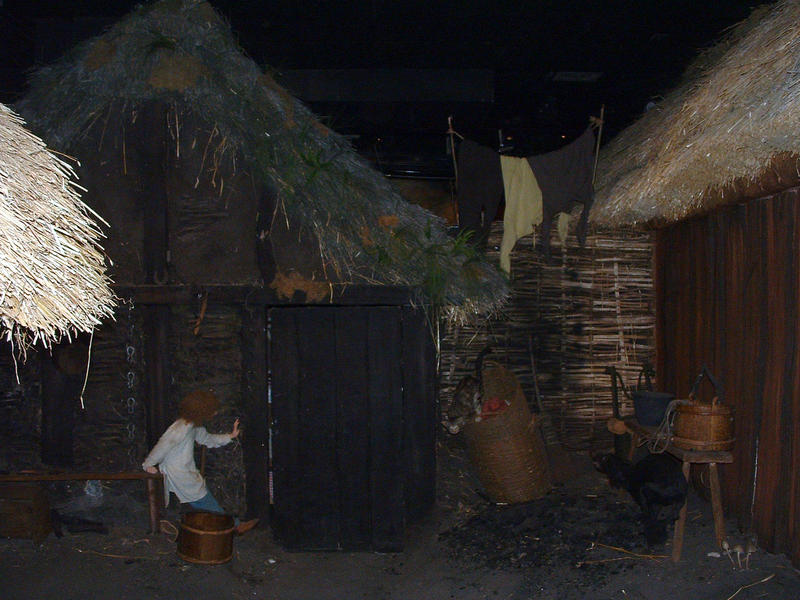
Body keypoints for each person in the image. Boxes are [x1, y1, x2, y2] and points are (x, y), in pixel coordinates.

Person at [143, 389, 258, 535]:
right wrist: (148, 464)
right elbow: (163, 445)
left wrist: (230, 436)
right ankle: (233, 526)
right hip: (179, 471)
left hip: (185, 470)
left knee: (200, 500)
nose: (214, 413)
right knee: (203, 499)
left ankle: (228, 525)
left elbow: (207, 438)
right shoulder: (180, 427)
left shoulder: (193, 425)